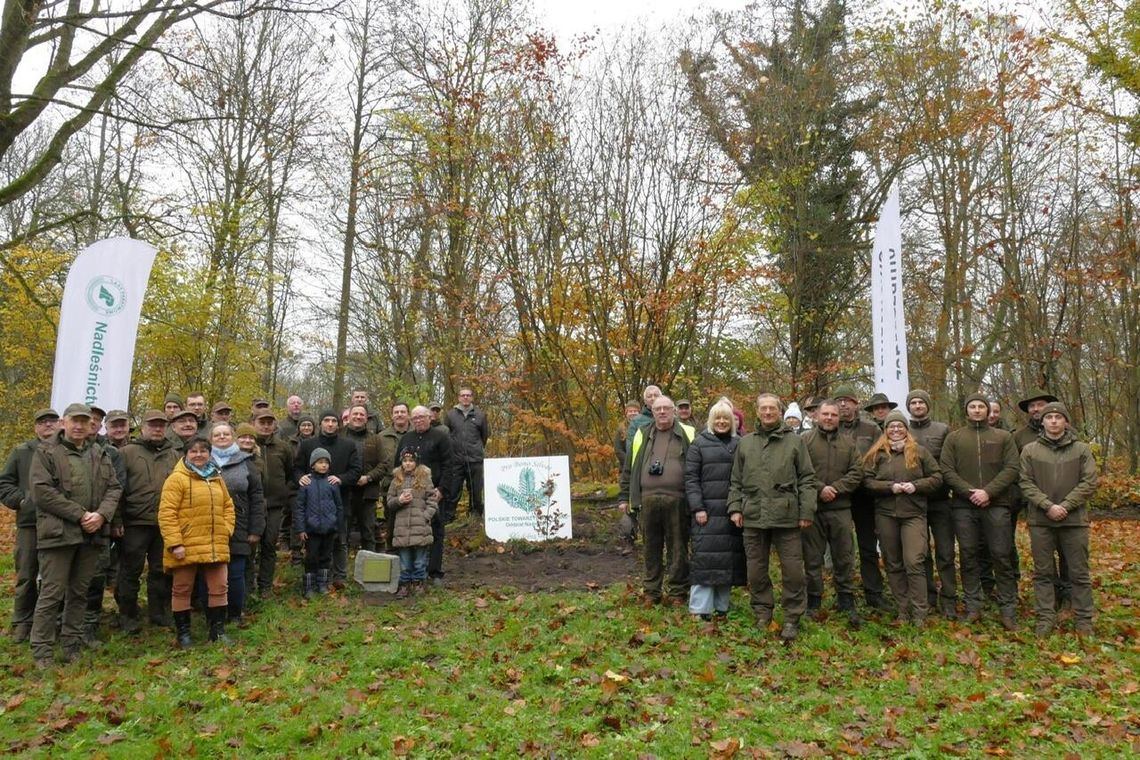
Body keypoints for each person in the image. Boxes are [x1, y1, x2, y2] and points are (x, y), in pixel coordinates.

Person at [29, 403, 122, 668]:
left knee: (79, 593)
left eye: (85, 421)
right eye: (75, 421)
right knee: (51, 593)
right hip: (59, 535)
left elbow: (114, 488)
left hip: (91, 536)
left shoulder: (98, 453)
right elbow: (42, 492)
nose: (80, 426)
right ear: (63, 423)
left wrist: (102, 515)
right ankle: (42, 651)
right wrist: (81, 515)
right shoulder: (46, 452)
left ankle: (71, 645)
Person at [727, 393, 817, 641]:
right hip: (753, 516)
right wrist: (735, 508)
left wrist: (806, 511)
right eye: (763, 408)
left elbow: (807, 479)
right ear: (756, 411)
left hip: (787, 517)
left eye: (772, 409)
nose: (767, 413)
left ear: (780, 412)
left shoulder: (795, 442)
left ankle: (792, 618)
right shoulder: (746, 443)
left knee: (792, 571)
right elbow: (735, 480)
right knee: (755, 570)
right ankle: (762, 613)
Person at [940, 393, 1021, 629]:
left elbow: (1012, 468)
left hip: (997, 505)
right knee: (968, 555)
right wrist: (969, 492)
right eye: (972, 407)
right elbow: (946, 469)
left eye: (981, 407)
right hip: (963, 506)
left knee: (1001, 554)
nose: (976, 410)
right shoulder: (954, 438)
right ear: (966, 411)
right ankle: (973, 605)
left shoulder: (1003, 437)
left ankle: (1008, 609)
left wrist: (988, 492)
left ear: (988, 411)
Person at [1020, 402, 1098, 636]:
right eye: (1049, 417)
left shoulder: (1081, 450)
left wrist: (1065, 506)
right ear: (1042, 422)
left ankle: (1084, 619)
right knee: (1043, 572)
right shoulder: (1030, 450)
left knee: (1079, 572)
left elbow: (1089, 482)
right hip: (1041, 520)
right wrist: (1047, 505)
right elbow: (1025, 482)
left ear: (1066, 421)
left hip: (1074, 521)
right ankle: (1045, 617)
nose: (1053, 421)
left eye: (1058, 417)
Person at [862, 411, 942, 627]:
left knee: (914, 561)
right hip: (886, 514)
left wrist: (916, 486)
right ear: (885, 430)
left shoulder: (919, 452)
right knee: (893, 562)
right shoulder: (877, 454)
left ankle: (920, 612)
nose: (895, 430)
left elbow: (937, 478)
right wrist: (890, 487)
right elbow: (867, 482)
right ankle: (903, 609)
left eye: (900, 426)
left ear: (906, 429)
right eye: (891, 426)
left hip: (914, 514)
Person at [619, 396, 695, 606]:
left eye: (666, 408)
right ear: (652, 412)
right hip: (647, 500)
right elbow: (630, 466)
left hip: (679, 499)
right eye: (658, 409)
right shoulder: (642, 434)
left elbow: (698, 466)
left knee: (678, 547)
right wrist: (625, 496)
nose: (662, 412)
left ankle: (678, 592)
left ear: (674, 411)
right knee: (650, 547)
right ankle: (652, 592)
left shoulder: (688, 433)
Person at [158, 437, 234, 647]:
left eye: (203, 451)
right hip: (185, 544)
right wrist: (175, 543)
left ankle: (217, 632)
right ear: (186, 454)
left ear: (210, 454)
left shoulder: (216, 477)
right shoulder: (176, 479)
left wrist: (226, 529)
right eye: (193, 451)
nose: (199, 454)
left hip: (214, 543)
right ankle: (183, 634)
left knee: (219, 587)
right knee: (182, 589)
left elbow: (228, 506)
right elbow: (167, 513)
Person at [115, 410, 180, 633]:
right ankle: (127, 616)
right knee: (130, 571)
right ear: (143, 427)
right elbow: (117, 489)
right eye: (153, 425)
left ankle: (158, 613)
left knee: (161, 570)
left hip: (164, 523)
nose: (157, 429)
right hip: (134, 522)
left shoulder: (174, 454)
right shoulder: (126, 453)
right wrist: (117, 519)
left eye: (161, 425)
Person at [799, 399, 862, 627]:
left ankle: (846, 599)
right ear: (816, 416)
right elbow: (798, 469)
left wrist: (835, 489)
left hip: (840, 509)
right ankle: (813, 600)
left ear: (839, 417)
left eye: (833, 415)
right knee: (812, 558)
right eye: (825, 414)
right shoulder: (804, 441)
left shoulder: (849, 443)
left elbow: (857, 472)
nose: (829, 418)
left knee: (844, 557)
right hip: (812, 509)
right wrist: (820, 488)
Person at [0, 408, 59, 643]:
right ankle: (22, 621)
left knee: (53, 578)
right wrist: (22, 501)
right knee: (26, 574)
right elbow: (4, 483)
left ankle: (49, 623)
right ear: (36, 427)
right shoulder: (21, 451)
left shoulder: (65, 451)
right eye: (43, 423)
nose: (48, 426)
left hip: (58, 523)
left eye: (52, 422)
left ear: (60, 425)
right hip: (30, 524)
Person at [683, 398, 745, 620]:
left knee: (727, 560)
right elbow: (691, 479)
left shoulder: (740, 444)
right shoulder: (699, 444)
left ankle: (721, 607)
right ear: (711, 421)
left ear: (733, 422)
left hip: (731, 512)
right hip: (706, 514)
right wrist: (697, 507)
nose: (721, 422)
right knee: (705, 560)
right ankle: (699, 609)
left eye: (725, 418)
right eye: (717, 418)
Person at [832, 386, 887, 610]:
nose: (843, 404)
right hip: (838, 497)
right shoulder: (829, 427)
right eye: (839, 401)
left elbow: (882, 458)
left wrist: (869, 480)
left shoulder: (871, 428)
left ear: (856, 404)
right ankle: (843, 595)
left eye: (848, 400)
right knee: (841, 548)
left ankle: (874, 594)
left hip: (865, 496)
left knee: (867, 546)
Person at [294, 411, 361, 587]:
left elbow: (356, 470)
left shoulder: (348, 445)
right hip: (312, 506)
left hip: (339, 501)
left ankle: (339, 576)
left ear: (338, 424)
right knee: (314, 547)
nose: (330, 424)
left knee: (340, 540)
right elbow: (297, 468)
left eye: (333, 421)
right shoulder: (308, 445)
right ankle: (313, 580)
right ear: (321, 423)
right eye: (326, 421)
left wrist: (341, 479)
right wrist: (300, 478)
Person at [905, 390, 955, 619]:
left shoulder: (942, 429)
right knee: (920, 554)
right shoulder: (902, 430)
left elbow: (948, 463)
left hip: (940, 500)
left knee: (945, 552)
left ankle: (949, 599)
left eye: (921, 402)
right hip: (914, 503)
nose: (917, 406)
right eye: (913, 403)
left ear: (928, 405)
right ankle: (927, 595)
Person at [1013, 389, 1064, 608]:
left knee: (1068, 553)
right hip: (1034, 503)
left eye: (1040, 405)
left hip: (1064, 503)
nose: (1036, 409)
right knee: (1042, 555)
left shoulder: (1067, 433)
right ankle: (1049, 599)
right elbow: (1016, 470)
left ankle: (1068, 597)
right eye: (1032, 406)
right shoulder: (1019, 436)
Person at [210, 424, 265, 624]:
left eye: (226, 434)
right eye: (217, 434)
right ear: (211, 439)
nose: (222, 437)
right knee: (209, 573)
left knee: (235, 573)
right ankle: (212, 615)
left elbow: (257, 497)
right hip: (208, 527)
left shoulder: (246, 463)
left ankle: (234, 613)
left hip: (240, 525)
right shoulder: (201, 460)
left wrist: (256, 528)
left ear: (233, 437)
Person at [399, 406, 456, 584]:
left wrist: (442, 489)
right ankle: (413, 572)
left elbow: (449, 465)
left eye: (422, 417)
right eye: (414, 418)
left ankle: (435, 571)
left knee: (437, 531)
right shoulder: (406, 438)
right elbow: (397, 465)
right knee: (413, 531)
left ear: (430, 418)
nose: (418, 421)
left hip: (435, 492)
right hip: (410, 494)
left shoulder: (441, 437)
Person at [387, 448, 439, 597]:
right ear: (401, 462)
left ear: (416, 462)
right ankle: (404, 584)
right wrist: (399, 500)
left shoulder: (425, 479)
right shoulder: (396, 480)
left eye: (411, 461)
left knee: (420, 560)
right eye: (405, 461)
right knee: (404, 561)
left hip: (420, 527)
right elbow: (389, 501)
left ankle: (419, 583)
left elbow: (432, 499)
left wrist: (426, 516)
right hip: (402, 529)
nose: (408, 464)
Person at [252, 410, 293, 593]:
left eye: (270, 422)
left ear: (275, 425)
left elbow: (290, 473)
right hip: (252, 505)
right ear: (254, 422)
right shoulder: (246, 445)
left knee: (269, 545)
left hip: (275, 505)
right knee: (250, 547)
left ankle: (265, 586)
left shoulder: (283, 447)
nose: (266, 426)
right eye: (262, 422)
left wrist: (284, 492)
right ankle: (248, 586)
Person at [295, 448, 343, 598]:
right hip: (312, 529)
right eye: (320, 462)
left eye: (326, 463)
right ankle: (309, 586)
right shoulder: (306, 484)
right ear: (313, 465)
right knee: (312, 557)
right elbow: (300, 508)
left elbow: (339, 506)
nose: (323, 465)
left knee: (326, 556)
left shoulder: (332, 484)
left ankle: (322, 584)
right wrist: (301, 529)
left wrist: (338, 526)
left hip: (329, 528)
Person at [369, 402, 410, 548]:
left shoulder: (415, 433)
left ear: (408, 415)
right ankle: (392, 550)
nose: (399, 415)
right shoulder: (381, 437)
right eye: (396, 412)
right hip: (389, 485)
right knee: (391, 520)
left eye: (402, 412)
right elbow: (376, 461)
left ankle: (412, 552)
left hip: (414, 483)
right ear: (392, 416)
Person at [445, 387, 490, 521]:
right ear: (458, 397)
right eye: (463, 395)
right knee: (453, 490)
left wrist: (475, 449)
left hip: (475, 460)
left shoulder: (480, 415)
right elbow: (446, 434)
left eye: (468, 395)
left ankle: (475, 516)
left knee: (476, 490)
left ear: (472, 397)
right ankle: (449, 517)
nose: (465, 398)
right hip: (456, 460)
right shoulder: (450, 415)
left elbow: (484, 436)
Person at [343, 405, 379, 550]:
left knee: (368, 532)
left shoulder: (376, 438)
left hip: (368, 491)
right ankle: (341, 569)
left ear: (366, 418)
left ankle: (371, 567)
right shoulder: (340, 435)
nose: (358, 417)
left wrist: (368, 477)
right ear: (349, 416)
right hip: (344, 491)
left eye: (361, 415)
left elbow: (384, 464)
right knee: (342, 531)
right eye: (355, 414)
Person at [625, 385, 662, 451]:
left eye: (655, 395)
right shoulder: (636, 421)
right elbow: (630, 447)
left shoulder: (670, 418)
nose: (653, 398)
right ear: (645, 400)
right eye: (649, 396)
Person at [614, 401, 641, 471]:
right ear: (626, 413)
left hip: (642, 467)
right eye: (630, 411)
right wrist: (629, 462)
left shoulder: (644, 427)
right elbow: (618, 450)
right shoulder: (620, 429)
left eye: (635, 411)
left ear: (639, 412)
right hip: (625, 468)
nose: (633, 413)